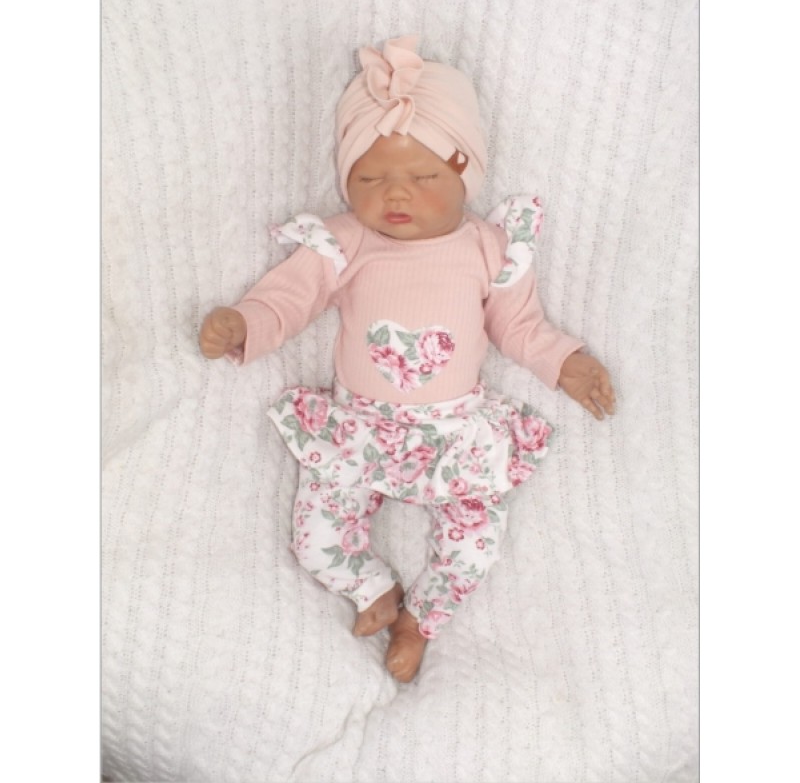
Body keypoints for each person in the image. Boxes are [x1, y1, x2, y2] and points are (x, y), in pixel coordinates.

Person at [199, 36, 616, 683]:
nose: (396, 194)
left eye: (423, 178)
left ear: (464, 175)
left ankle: (420, 621)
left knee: (475, 545)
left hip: (454, 431)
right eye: (370, 179)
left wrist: (566, 362)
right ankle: (372, 588)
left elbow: (518, 325)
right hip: (359, 427)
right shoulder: (345, 242)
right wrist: (244, 322)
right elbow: (290, 298)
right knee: (316, 540)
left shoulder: (488, 247)